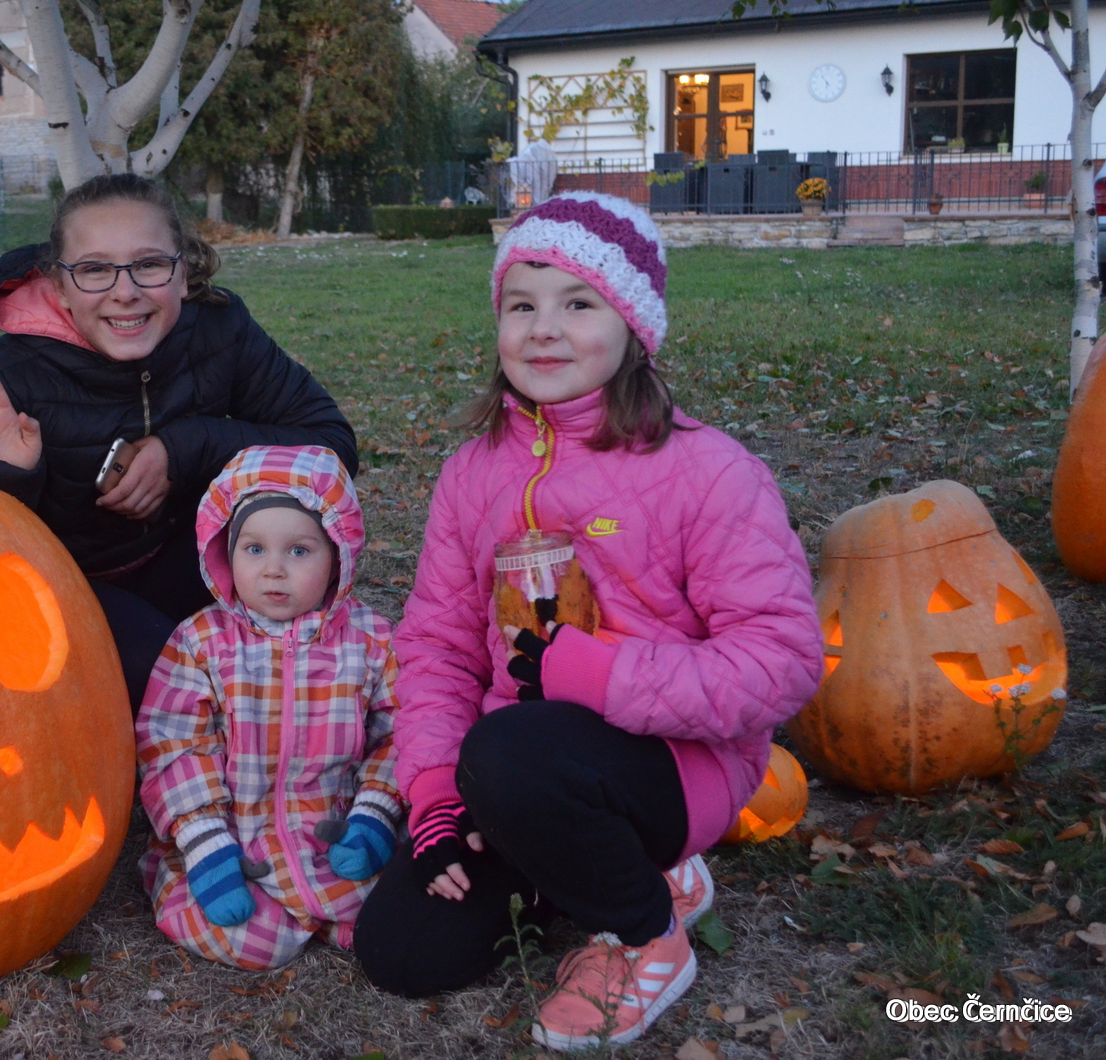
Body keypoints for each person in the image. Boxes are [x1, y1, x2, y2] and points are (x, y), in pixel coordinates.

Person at [352, 192, 823, 1049]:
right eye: (520, 306)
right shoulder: (470, 476)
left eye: (578, 304)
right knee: (403, 950)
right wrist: (434, 794)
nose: (544, 330)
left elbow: (782, 661)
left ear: (632, 326)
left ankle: (646, 932)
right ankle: (587, 861)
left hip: (674, 765)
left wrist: (598, 675)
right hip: (514, 770)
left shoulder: (709, 472)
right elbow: (438, 648)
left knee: (515, 752)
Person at [0, 175, 357, 709]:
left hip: (187, 552)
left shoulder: (218, 326)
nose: (125, 291)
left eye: (149, 264)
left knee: (291, 656)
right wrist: (5, 477)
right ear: (60, 287)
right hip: (75, 584)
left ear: (182, 272)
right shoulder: (13, 370)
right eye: (95, 269)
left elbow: (330, 445)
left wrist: (185, 447)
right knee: (172, 678)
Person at [136, 445, 402, 970]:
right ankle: (231, 878)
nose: (274, 570)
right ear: (226, 552)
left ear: (338, 556)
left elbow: (400, 732)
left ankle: (338, 904)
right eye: (254, 549)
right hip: (237, 837)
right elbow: (174, 745)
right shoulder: (200, 641)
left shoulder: (372, 640)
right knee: (251, 939)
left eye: (299, 551)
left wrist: (375, 812)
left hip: (334, 830)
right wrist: (205, 843)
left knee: (392, 913)